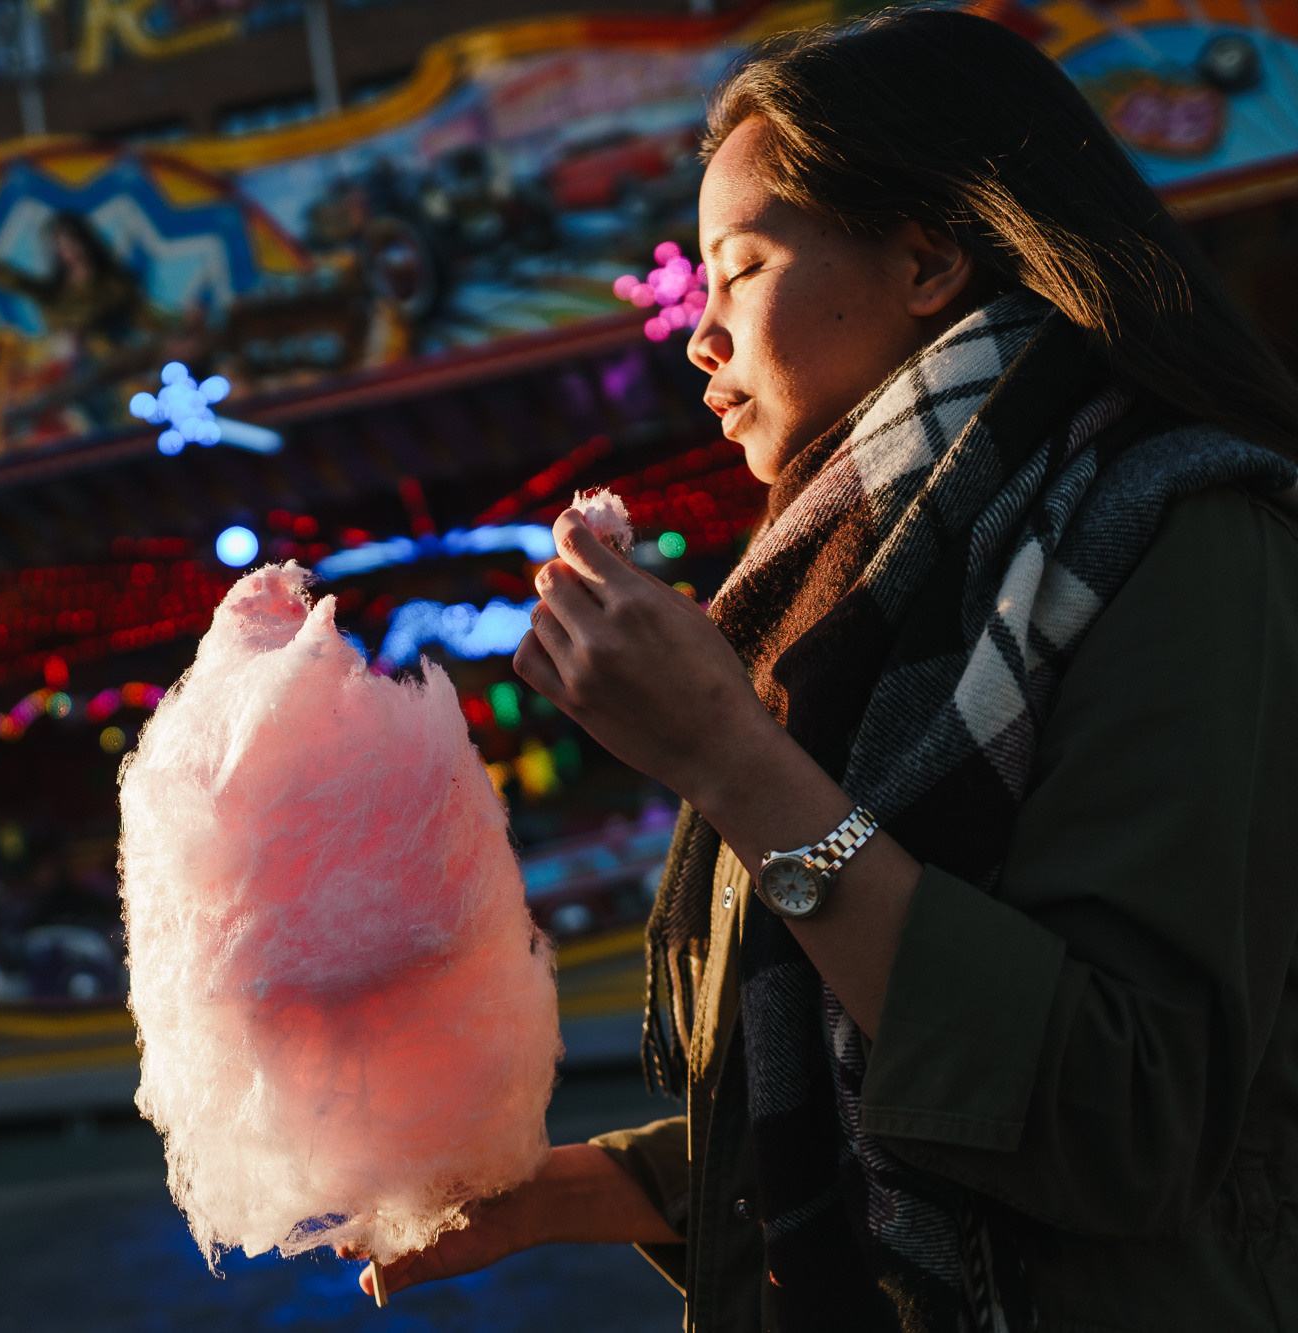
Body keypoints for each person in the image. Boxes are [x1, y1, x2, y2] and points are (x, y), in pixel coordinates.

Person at [360, 12, 1298, 1332]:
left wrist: (732, 762)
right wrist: (570, 1189)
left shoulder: (1181, 533)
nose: (699, 335)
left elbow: (1121, 1116)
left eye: (736, 269)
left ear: (924, 258)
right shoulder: (852, 586)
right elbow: (865, 1089)